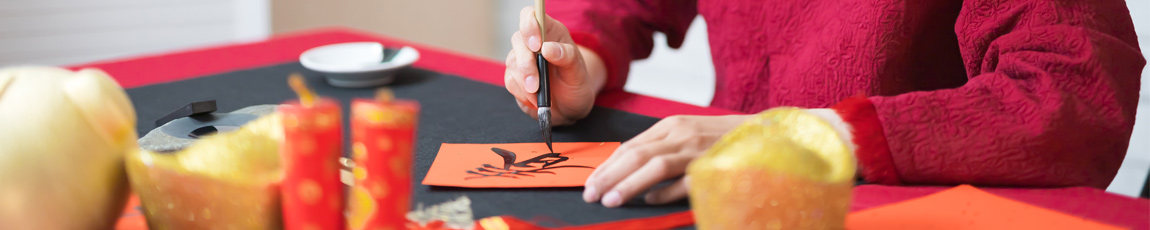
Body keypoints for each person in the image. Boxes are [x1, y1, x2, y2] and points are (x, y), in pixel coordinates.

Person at [502, 0, 1144, 208]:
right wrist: (577, 62)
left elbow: (1074, 95)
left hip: (895, 202)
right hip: (725, 195)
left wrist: (806, 136)